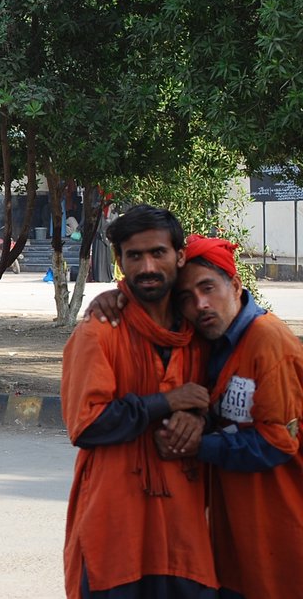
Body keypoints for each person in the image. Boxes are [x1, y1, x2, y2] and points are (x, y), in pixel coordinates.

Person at [61, 205, 217, 598]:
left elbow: (231, 407)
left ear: (179, 256)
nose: (147, 266)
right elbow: (87, 424)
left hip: (185, 534)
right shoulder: (99, 332)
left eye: (158, 253)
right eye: (135, 256)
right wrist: (166, 403)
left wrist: (199, 421)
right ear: (120, 262)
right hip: (115, 531)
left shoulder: (203, 335)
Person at [159, 236, 303, 599]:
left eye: (208, 288)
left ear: (236, 286)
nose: (200, 304)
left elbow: (276, 441)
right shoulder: (211, 342)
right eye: (186, 298)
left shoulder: (268, 342)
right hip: (238, 535)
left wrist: (197, 445)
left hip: (282, 529)